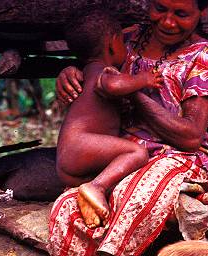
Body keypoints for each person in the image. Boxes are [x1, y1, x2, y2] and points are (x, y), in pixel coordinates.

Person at [49, 0, 208, 256]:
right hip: (121, 152)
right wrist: (70, 74)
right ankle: (168, 219)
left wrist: (132, 92)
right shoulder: (126, 38)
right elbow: (94, 64)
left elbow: (191, 136)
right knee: (69, 207)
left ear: (202, 12)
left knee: (138, 193)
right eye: (160, 8)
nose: (168, 22)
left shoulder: (204, 56)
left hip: (177, 155)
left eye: (181, 14)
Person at [58, 9, 163, 228]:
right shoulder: (102, 71)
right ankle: (96, 187)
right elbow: (112, 84)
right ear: (113, 43)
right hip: (81, 144)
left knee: (110, 179)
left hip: (71, 156)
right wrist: (143, 79)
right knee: (136, 152)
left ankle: (89, 197)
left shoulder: (86, 71)